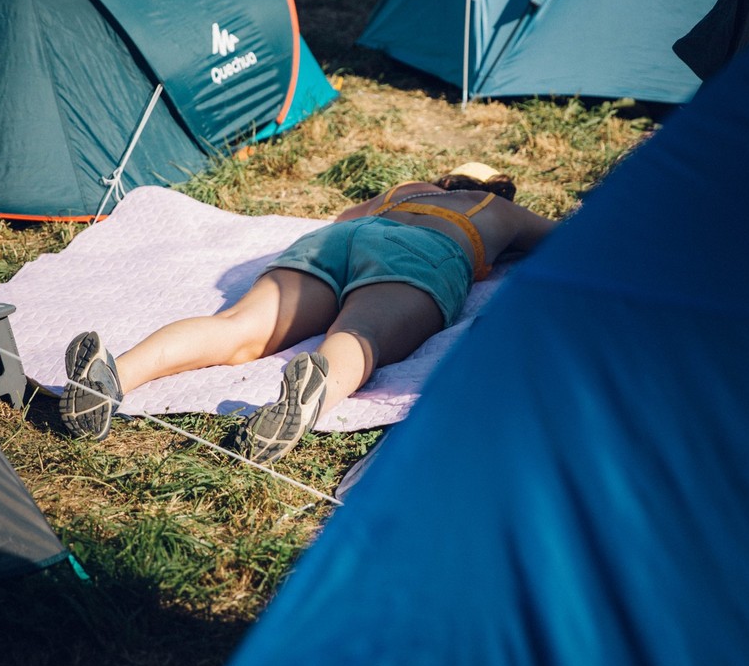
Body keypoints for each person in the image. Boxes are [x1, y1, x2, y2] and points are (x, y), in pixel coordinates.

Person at [58, 163, 558, 462]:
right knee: (363, 334)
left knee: (236, 329)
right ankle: (318, 385)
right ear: (494, 187)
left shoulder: (402, 192)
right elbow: (569, 245)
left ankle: (115, 372)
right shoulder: (496, 209)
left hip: (335, 241)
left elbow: (343, 220)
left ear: (443, 177)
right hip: (425, 252)